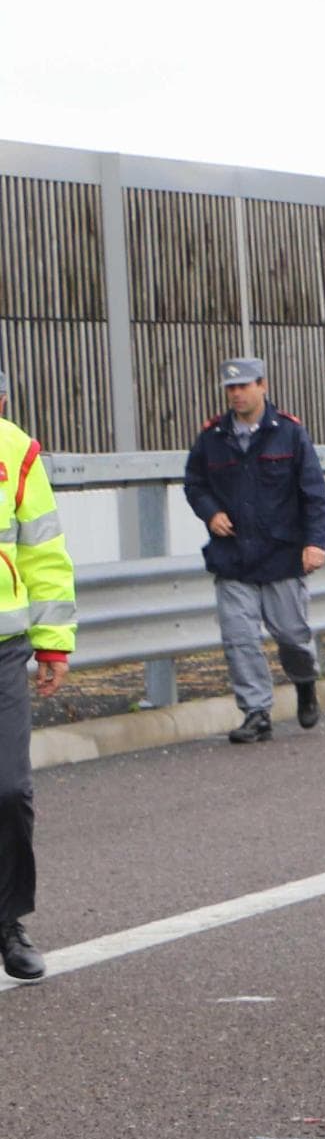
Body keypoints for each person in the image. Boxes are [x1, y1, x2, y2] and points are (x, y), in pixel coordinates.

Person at [183, 358, 325, 743]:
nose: (236, 394)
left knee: (292, 637)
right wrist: (210, 512)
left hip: (281, 555)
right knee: (239, 638)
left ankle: (304, 684)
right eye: (230, 388)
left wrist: (315, 543)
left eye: (244, 386)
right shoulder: (213, 437)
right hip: (234, 556)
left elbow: (314, 493)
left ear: (262, 385)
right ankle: (256, 713)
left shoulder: (290, 434)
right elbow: (194, 483)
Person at [0, 360, 75, 981]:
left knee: (8, 790)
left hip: (4, 646)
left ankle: (8, 922)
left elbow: (43, 550)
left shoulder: (17, 449)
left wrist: (53, 643)